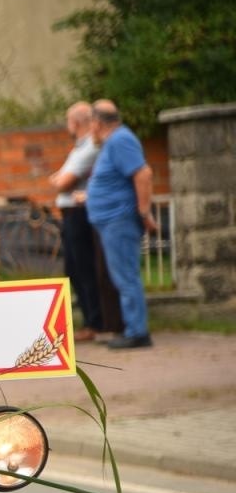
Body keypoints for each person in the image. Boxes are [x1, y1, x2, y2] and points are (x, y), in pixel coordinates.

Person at [84, 100, 158, 350]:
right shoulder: (113, 142)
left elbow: (143, 174)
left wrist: (144, 211)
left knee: (126, 276)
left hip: (119, 219)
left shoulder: (120, 140)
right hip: (111, 220)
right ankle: (134, 328)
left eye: (90, 123)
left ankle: (137, 331)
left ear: (97, 122)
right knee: (122, 275)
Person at [48, 102, 104, 342]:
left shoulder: (90, 146)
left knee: (84, 268)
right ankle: (89, 321)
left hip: (79, 214)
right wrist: (59, 179)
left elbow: (61, 181)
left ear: (76, 122)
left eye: (68, 120)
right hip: (69, 214)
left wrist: (60, 180)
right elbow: (57, 177)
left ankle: (95, 322)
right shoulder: (79, 148)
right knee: (72, 269)